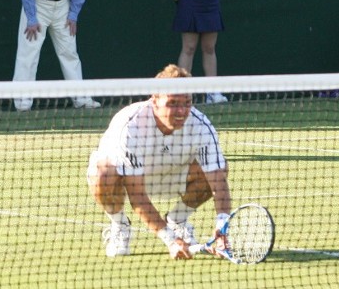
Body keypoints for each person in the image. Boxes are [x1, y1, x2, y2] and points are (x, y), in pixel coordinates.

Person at [87, 64, 232, 258]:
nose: (181, 111)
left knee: (219, 167)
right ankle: (119, 226)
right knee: (104, 174)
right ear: (155, 101)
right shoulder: (131, 126)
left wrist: (222, 227)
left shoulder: (201, 126)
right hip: (131, 179)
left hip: (174, 176)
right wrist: (170, 240)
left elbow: (218, 183)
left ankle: (178, 220)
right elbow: (137, 195)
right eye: (172, 103)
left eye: (187, 103)